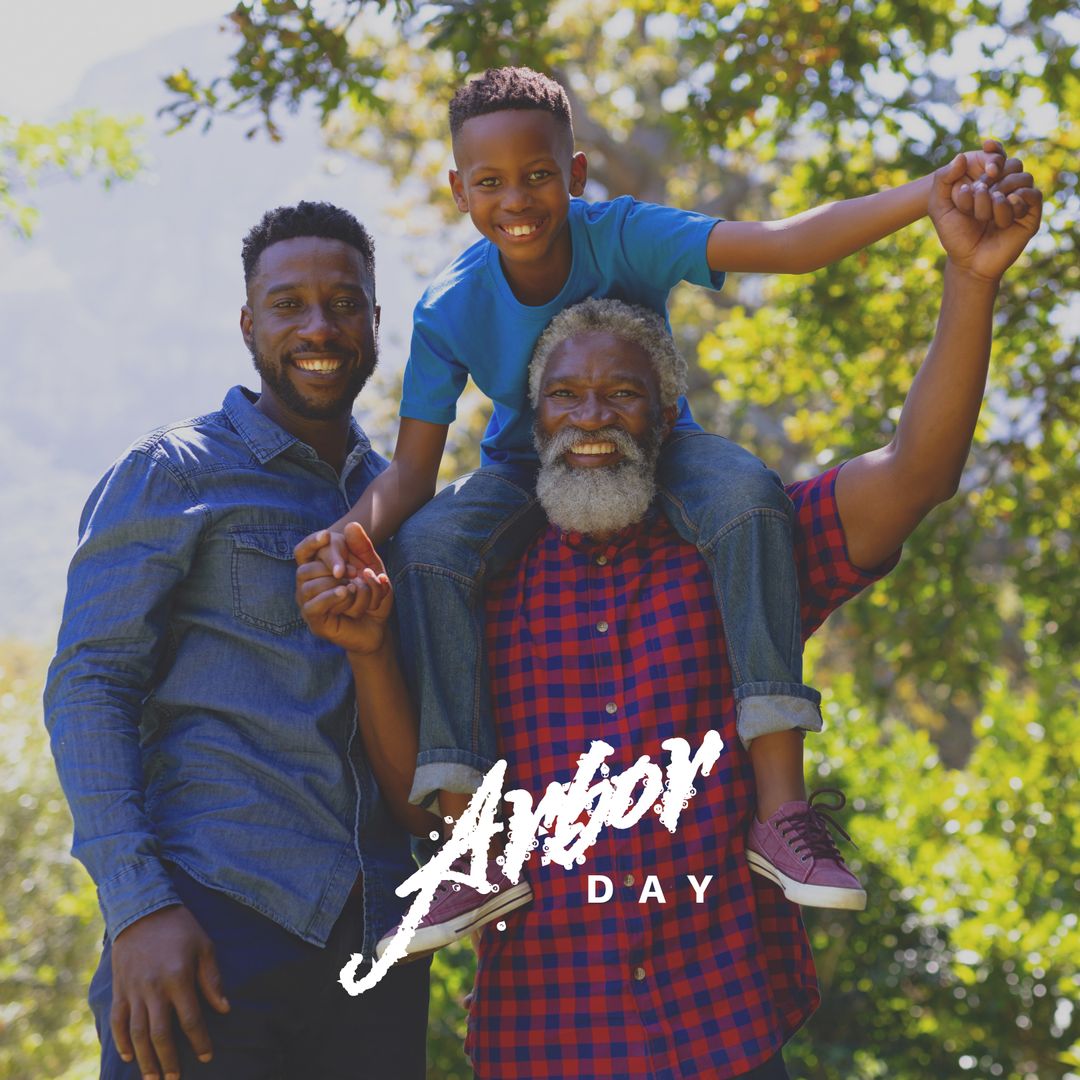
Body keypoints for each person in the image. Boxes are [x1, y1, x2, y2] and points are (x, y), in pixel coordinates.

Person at [296, 154, 1041, 1077]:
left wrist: (970, 279)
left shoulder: (741, 545)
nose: (591, 417)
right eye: (563, 396)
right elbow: (411, 786)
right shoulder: (473, 579)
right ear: (530, 421)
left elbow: (917, 472)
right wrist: (370, 651)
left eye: (623, 394)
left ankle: (784, 818)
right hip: (546, 1040)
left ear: (665, 413)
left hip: (726, 1029)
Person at [43, 202, 430, 1080]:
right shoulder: (174, 472)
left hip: (380, 948)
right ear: (249, 324)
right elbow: (89, 687)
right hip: (209, 929)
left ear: (375, 321)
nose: (318, 327)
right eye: (288, 305)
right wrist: (139, 909)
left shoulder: (406, 510)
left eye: (343, 303)